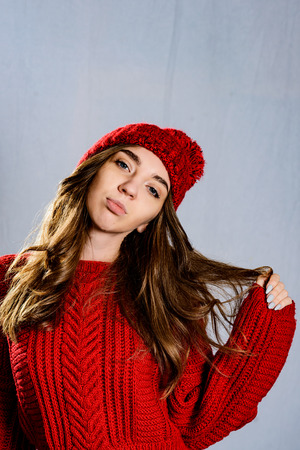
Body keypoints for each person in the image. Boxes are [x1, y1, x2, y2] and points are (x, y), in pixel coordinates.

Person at [0, 123, 296, 449]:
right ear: (92, 169)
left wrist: (266, 324)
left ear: (148, 220)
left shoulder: (161, 299)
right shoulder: (11, 277)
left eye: (154, 190)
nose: (130, 188)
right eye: (124, 165)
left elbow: (198, 421)